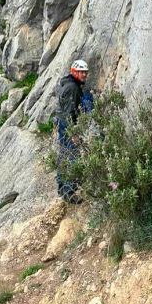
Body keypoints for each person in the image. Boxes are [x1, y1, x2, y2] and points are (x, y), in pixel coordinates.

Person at [55, 59, 94, 204]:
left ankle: (63, 188)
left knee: (64, 155)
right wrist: (74, 133)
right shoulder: (73, 88)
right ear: (73, 72)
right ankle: (69, 192)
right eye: (81, 72)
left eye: (85, 72)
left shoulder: (70, 85)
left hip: (63, 124)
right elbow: (70, 112)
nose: (84, 75)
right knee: (71, 156)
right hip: (67, 125)